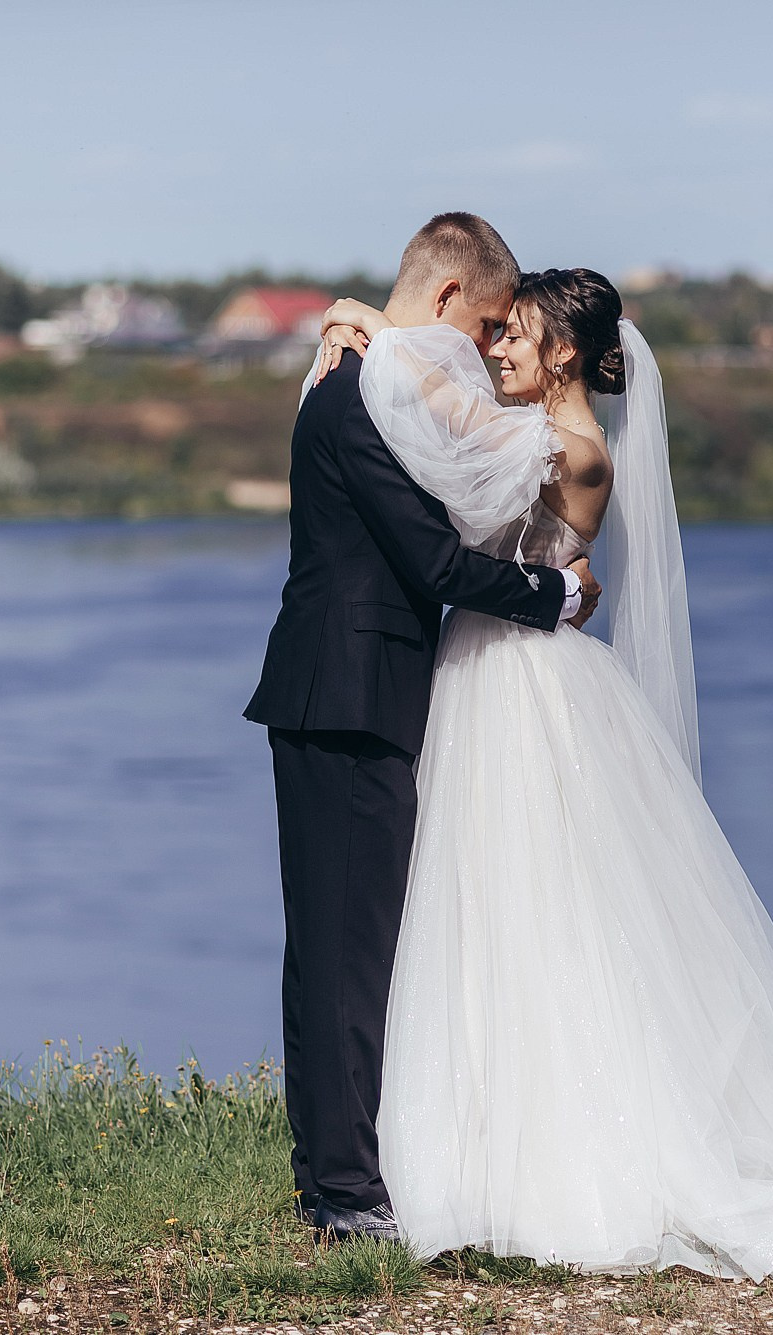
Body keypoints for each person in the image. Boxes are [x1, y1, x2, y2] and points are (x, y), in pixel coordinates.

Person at [313, 267, 773, 1280]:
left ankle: (559, 1154)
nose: (495, 351)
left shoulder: (571, 451)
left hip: (529, 687)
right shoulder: (520, 421)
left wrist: (377, 333)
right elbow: (449, 423)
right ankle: (470, 1137)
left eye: (514, 336)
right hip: (479, 670)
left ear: (562, 353)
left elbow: (447, 423)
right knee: (479, 904)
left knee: (548, 910)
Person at [243, 214, 602, 1242]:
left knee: (338, 950)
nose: (487, 350)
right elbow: (434, 567)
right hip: (347, 696)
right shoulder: (363, 395)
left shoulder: (366, 375)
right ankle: (346, 1196)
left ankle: (340, 1177)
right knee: (345, 955)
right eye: (486, 322)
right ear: (448, 297)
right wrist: (556, 599)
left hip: (344, 691)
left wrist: (370, 327)